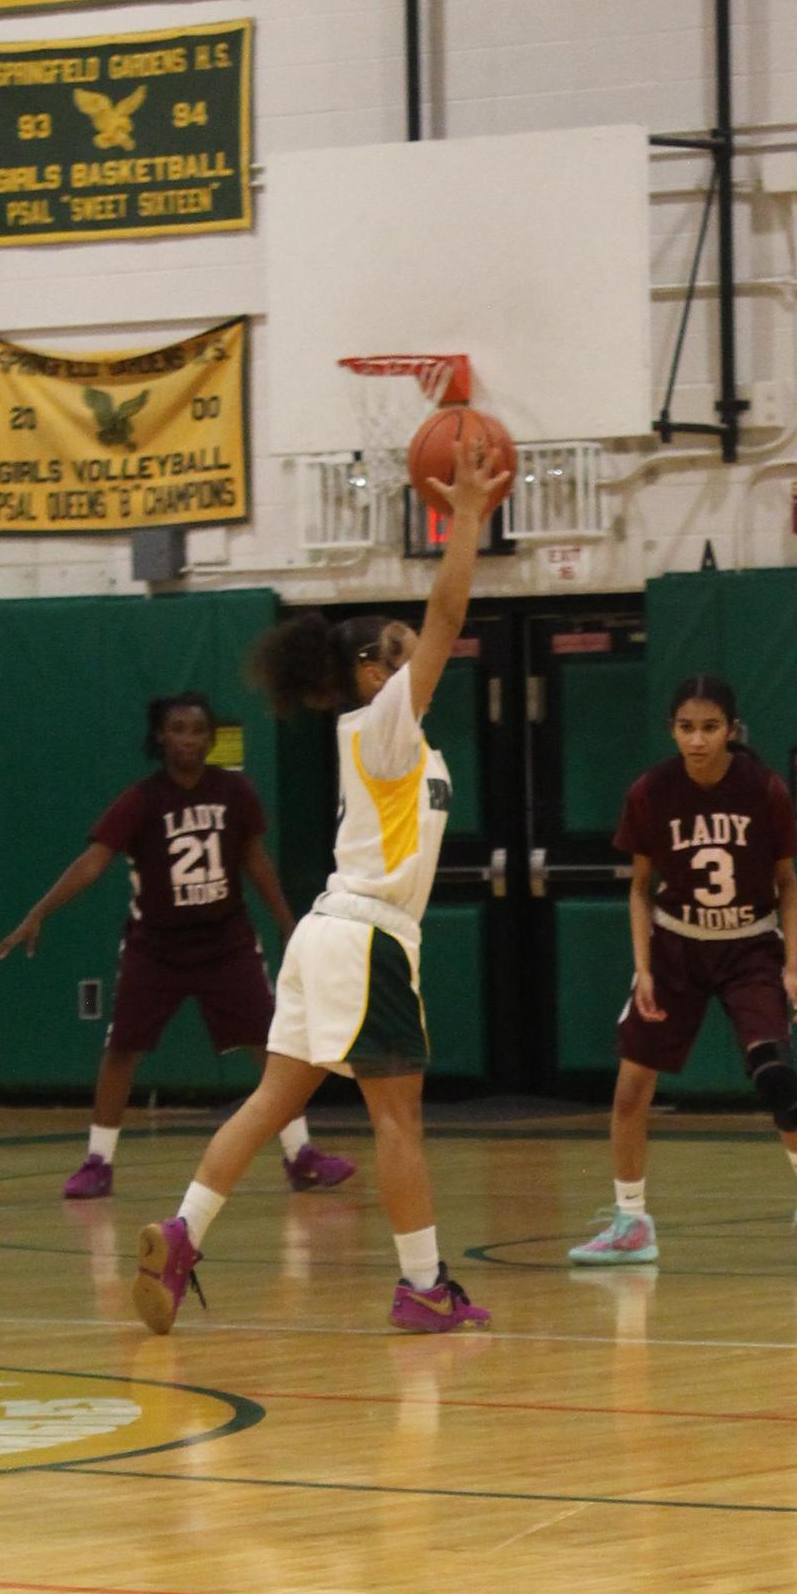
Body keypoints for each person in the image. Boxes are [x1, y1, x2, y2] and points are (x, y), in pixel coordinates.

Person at [131, 419, 505, 1337]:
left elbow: (435, 631)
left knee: (274, 1099)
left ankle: (183, 1233)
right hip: (367, 938)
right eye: (399, 645)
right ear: (373, 673)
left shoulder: (386, 737)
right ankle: (423, 1286)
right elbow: (449, 618)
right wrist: (465, 519)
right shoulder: (385, 724)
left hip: (328, 935)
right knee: (398, 1121)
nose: (419, 649)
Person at [0, 690, 353, 1200]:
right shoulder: (140, 800)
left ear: (211, 739)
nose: (188, 739)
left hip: (226, 943)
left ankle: (301, 1156)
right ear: (161, 737)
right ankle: (98, 1161)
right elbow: (93, 861)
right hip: (156, 948)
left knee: (274, 1046)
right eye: (178, 729)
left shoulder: (235, 792)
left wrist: (286, 922)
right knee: (122, 1049)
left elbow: (254, 859)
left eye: (198, 730)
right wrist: (39, 912)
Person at [569, 675, 797, 1266]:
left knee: (775, 1075)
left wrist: (792, 968)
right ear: (672, 730)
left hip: (749, 946)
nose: (697, 740)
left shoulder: (763, 789)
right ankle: (631, 1221)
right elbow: (640, 887)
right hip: (676, 946)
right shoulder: (651, 792)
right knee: (631, 1086)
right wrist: (643, 967)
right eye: (686, 728)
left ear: (731, 730)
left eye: (710, 727)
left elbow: (788, 885)